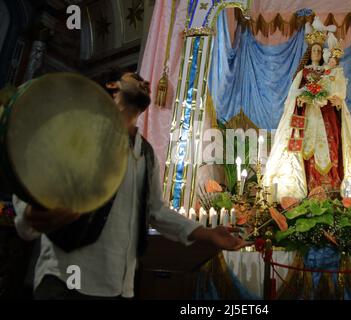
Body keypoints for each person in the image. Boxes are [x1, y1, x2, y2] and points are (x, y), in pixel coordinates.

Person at [13, 71, 247, 300]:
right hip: (65, 282)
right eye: (132, 77)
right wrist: (31, 213)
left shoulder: (145, 153)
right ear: (112, 88)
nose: (144, 81)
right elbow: (37, 175)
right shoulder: (78, 132)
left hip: (118, 286)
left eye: (144, 80)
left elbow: (157, 211)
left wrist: (208, 234)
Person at [264, 17, 351, 202]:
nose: (316, 53)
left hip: (327, 115)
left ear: (322, 53)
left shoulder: (329, 72)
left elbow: (336, 91)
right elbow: (292, 95)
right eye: (313, 50)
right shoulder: (303, 73)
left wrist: (336, 101)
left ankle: (331, 189)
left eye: (319, 50)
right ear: (309, 52)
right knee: (306, 149)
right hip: (307, 116)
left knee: (331, 146)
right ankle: (305, 188)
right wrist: (304, 96)